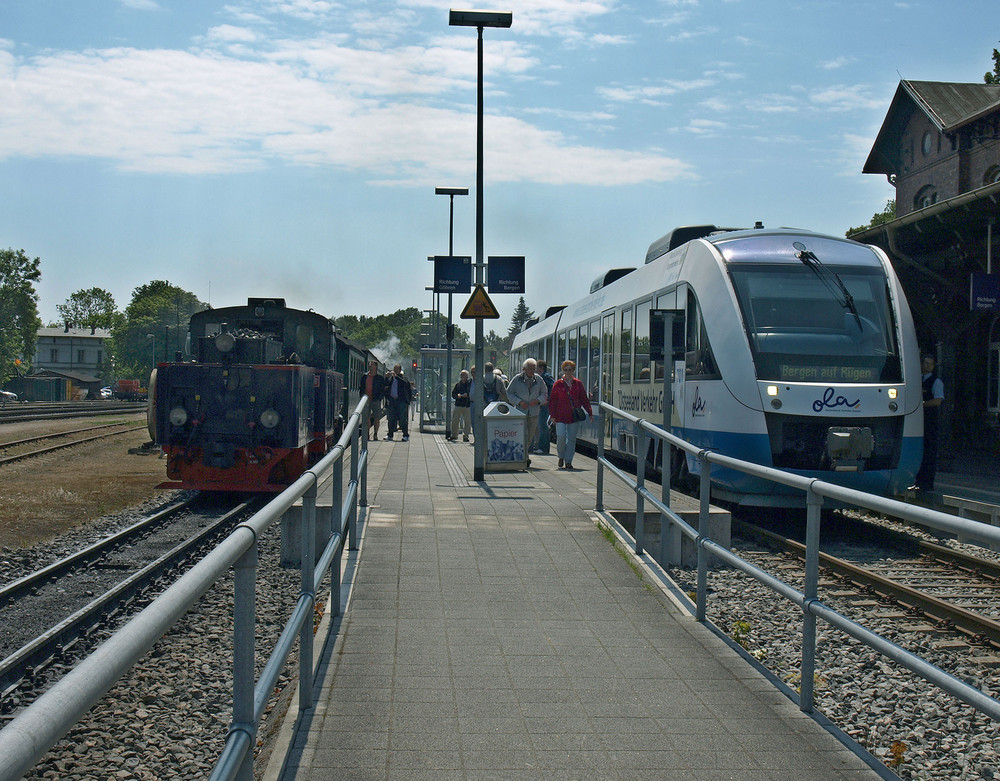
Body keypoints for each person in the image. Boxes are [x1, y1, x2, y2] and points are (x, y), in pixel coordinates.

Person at [547, 359, 593, 470]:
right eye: (566, 370)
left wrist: (590, 412)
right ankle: (561, 456)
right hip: (560, 416)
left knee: (572, 439)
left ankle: (568, 461)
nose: (568, 372)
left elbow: (584, 399)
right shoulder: (558, 384)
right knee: (561, 437)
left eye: (570, 370)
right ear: (563, 370)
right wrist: (552, 415)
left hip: (573, 416)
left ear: (573, 371)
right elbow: (552, 400)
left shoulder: (578, 383)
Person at [506, 358, 548, 468]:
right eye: (529, 369)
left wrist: (538, 400)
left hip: (534, 413)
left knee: (530, 437)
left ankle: (524, 455)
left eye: (533, 369)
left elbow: (544, 393)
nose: (532, 371)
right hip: (520, 413)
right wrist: (519, 402)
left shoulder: (539, 380)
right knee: (521, 435)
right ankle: (524, 458)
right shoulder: (517, 379)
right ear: (524, 369)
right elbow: (509, 393)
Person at [911, 353, 944, 492]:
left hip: (930, 421)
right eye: (926, 363)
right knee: (918, 450)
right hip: (918, 421)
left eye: (930, 364)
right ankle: (917, 480)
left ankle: (927, 483)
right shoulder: (917, 379)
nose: (928, 366)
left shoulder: (936, 382)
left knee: (929, 452)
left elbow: (938, 400)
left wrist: (922, 404)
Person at [384, 363, 413, 442]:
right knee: (391, 419)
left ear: (400, 370)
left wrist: (396, 377)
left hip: (401, 401)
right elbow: (386, 386)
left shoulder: (403, 379)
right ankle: (390, 435)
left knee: (403, 419)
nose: (395, 371)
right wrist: (386, 378)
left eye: (397, 369)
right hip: (392, 401)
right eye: (394, 369)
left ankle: (405, 435)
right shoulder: (391, 379)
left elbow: (405, 384)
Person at [359, 360, 386, 441]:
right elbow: (361, 387)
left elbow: (382, 389)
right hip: (366, 399)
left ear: (376, 367)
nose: (370, 365)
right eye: (369, 364)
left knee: (377, 417)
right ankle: (367, 434)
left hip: (376, 400)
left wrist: (379, 398)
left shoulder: (380, 378)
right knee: (366, 417)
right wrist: (362, 396)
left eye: (372, 364)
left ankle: (375, 433)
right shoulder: (364, 376)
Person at [533, 359, 554, 454]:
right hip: (542, 404)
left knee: (543, 426)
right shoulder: (542, 377)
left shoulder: (545, 377)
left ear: (541, 367)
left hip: (545, 405)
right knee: (542, 425)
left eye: (536, 367)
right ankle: (542, 447)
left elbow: (553, 387)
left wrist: (547, 399)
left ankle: (543, 448)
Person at [449, 369, 472, 442]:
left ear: (467, 376)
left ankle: (466, 436)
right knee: (455, 420)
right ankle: (454, 435)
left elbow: (472, 393)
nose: (462, 376)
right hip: (458, 404)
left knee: (467, 421)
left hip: (466, 405)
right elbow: (453, 394)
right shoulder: (458, 385)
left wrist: (467, 395)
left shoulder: (469, 384)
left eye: (464, 375)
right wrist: (457, 396)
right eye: (461, 375)